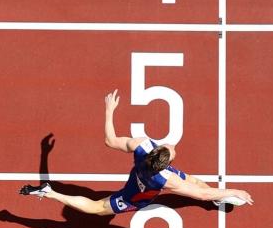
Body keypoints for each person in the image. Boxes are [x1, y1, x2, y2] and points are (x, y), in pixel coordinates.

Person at [19, 90, 253, 215]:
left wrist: (109, 110)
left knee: (193, 180)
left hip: (137, 180)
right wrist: (236, 191)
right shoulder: (167, 179)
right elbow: (199, 195)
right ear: (165, 164)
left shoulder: (142, 146)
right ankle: (51, 193)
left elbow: (110, 141)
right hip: (133, 197)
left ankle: (50, 192)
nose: (172, 147)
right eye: (171, 152)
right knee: (97, 208)